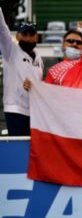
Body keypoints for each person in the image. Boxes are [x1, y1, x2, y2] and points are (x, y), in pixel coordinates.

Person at [0, 8, 43, 136]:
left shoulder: (39, 58)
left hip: (35, 112)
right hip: (16, 110)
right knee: (20, 147)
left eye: (31, 35)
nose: (28, 38)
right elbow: (2, 28)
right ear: (17, 36)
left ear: (37, 37)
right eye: (24, 35)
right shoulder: (10, 51)